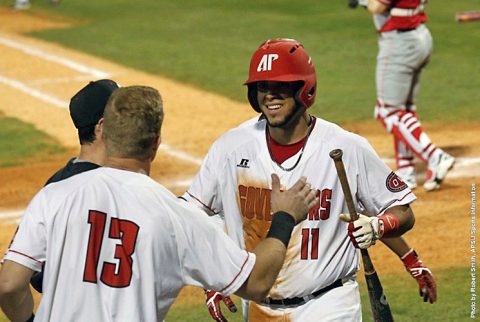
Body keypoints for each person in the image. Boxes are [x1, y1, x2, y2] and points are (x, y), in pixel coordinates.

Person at [0, 85, 319, 321]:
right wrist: (285, 216)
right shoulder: (175, 217)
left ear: (106, 133)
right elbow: (257, 281)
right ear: (155, 144)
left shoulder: (55, 194)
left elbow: (9, 285)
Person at [183, 38, 436, 321]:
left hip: (328, 304)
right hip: (257, 308)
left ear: (304, 89)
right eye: (262, 87)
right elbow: (193, 216)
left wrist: (379, 225)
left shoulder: (345, 147)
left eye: (281, 86)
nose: (270, 95)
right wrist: (213, 274)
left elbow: (402, 210)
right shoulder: (230, 148)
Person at [30, 78, 120, 293]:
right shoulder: (121, 185)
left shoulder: (54, 186)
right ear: (102, 127)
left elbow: (34, 272)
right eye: (122, 115)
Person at [366, 0, 455, 191]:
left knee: (387, 111)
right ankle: (406, 170)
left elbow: (377, 6)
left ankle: (435, 156)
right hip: (418, 37)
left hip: (400, 44)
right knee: (403, 109)